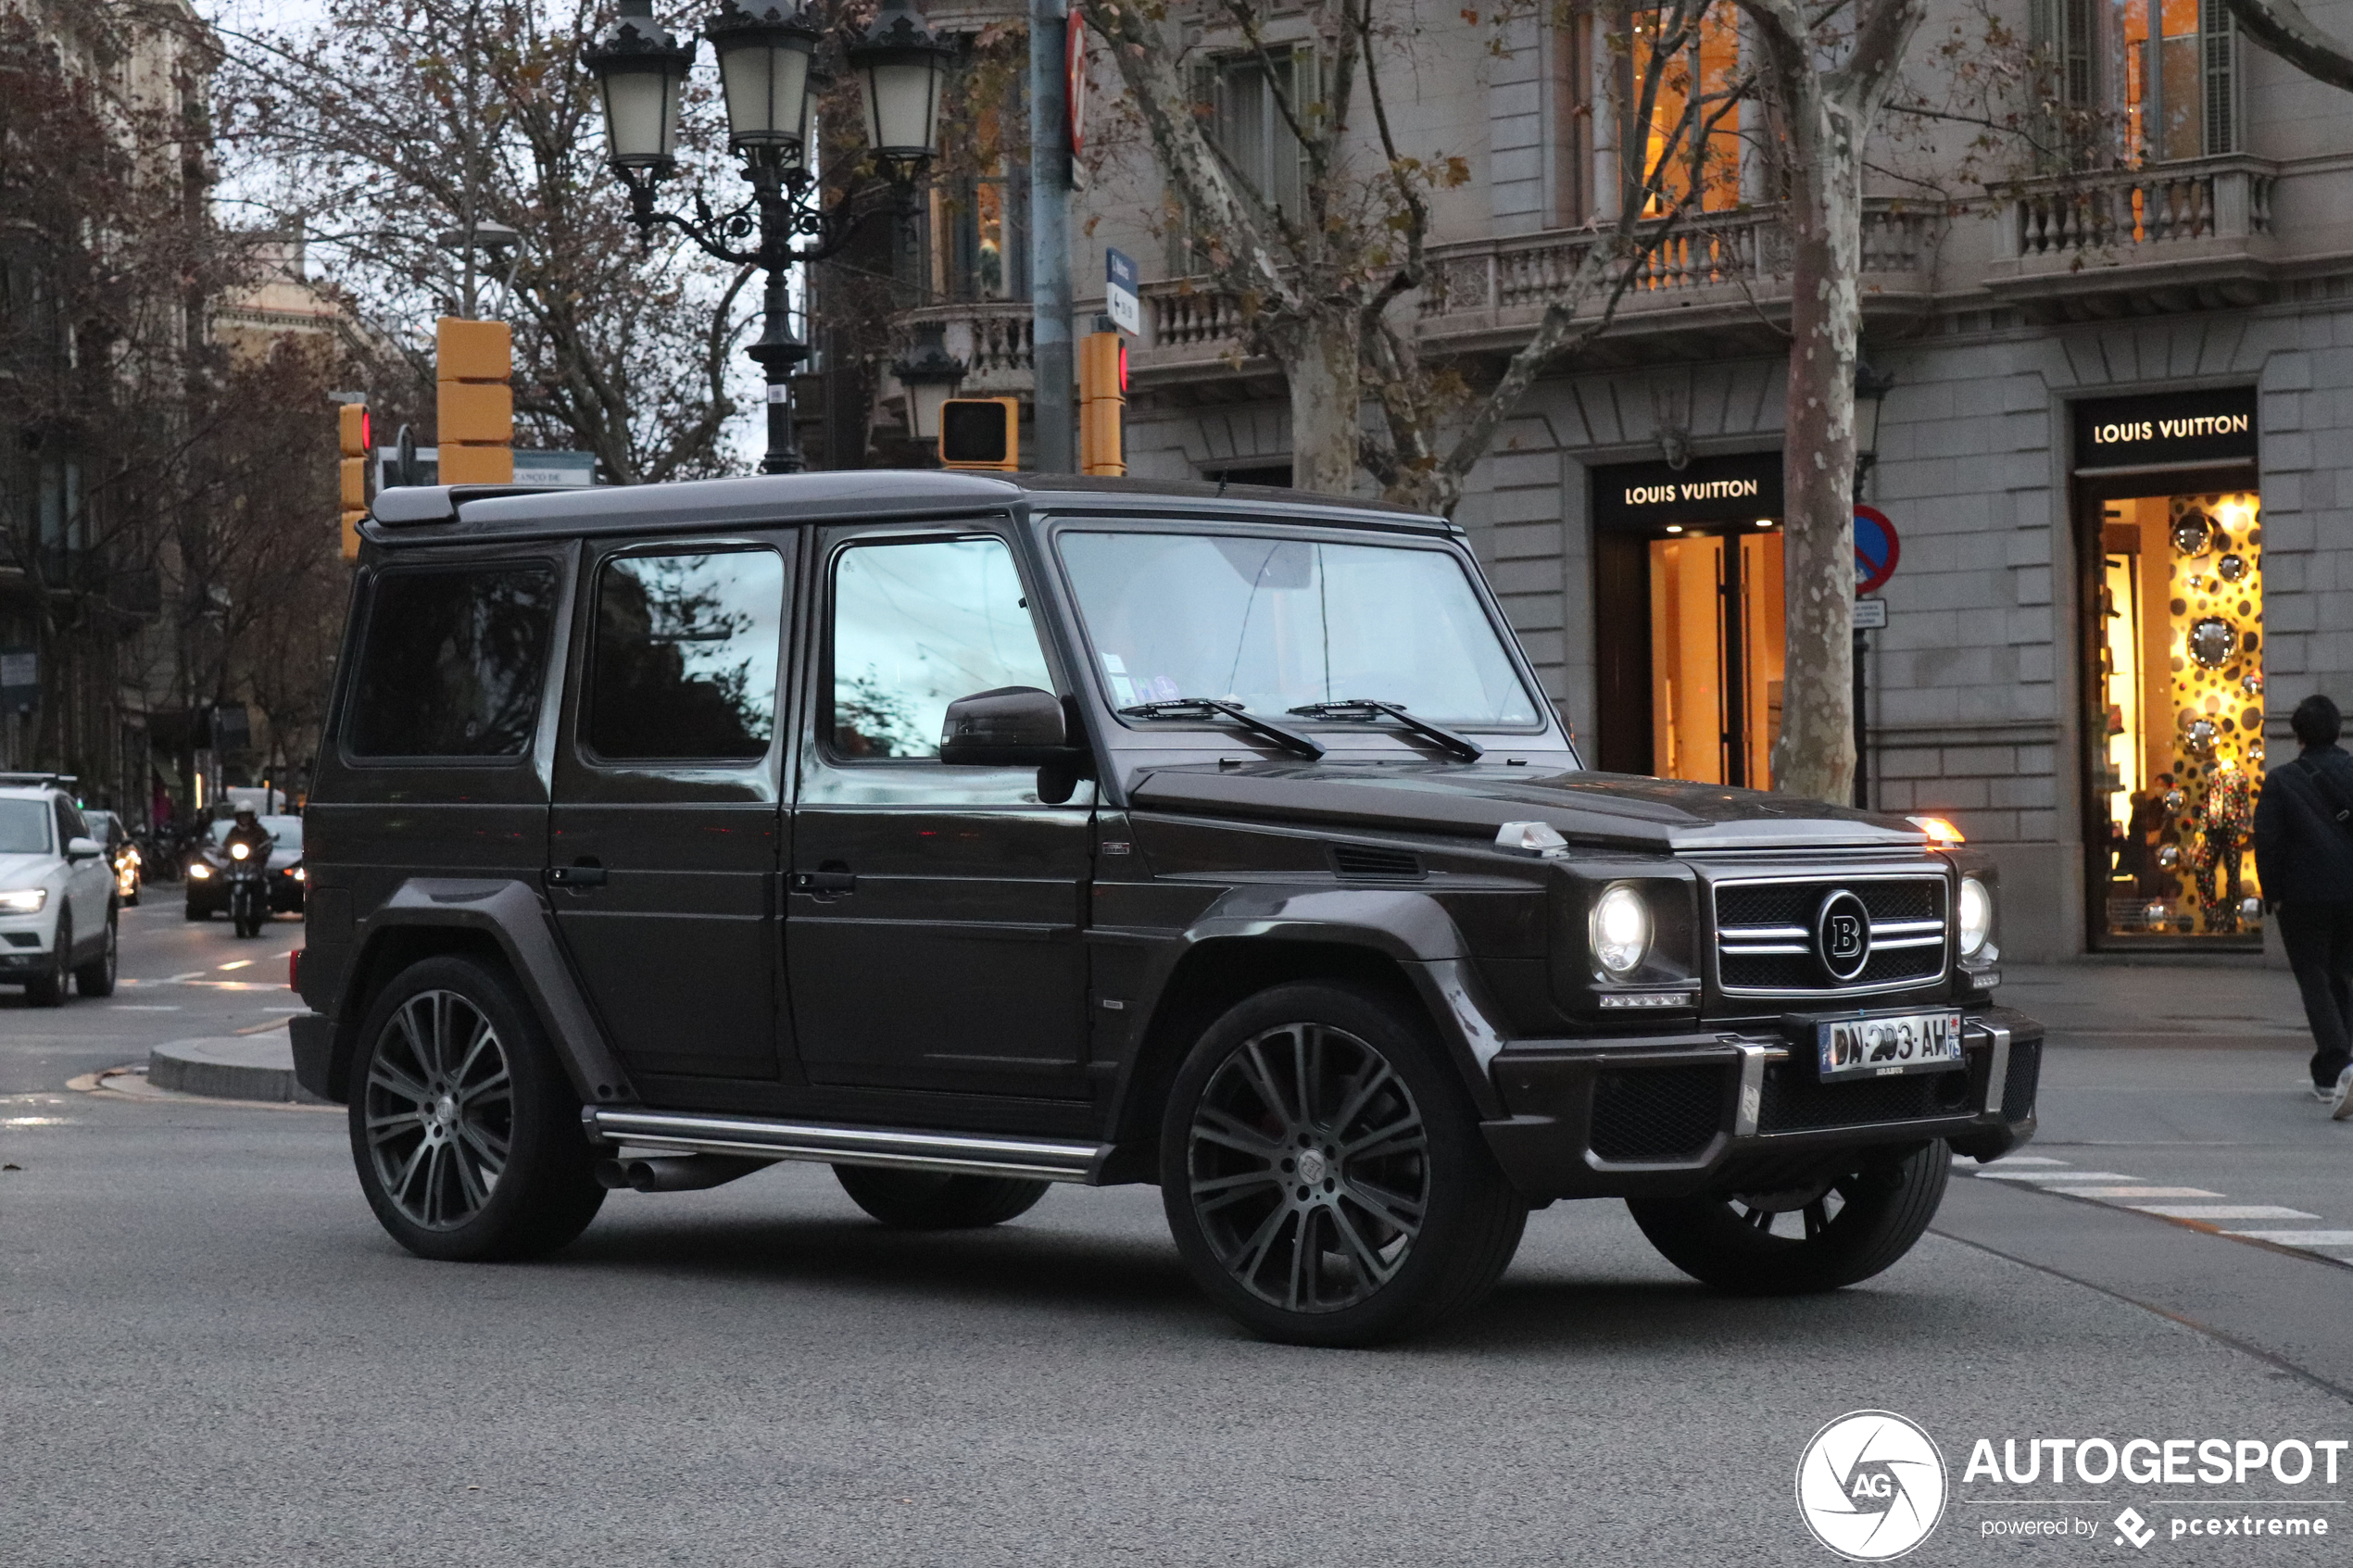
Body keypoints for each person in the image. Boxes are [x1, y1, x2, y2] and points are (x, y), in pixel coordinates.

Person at [2254, 694, 2353, 1117]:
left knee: (2314, 977)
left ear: (2297, 735)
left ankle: (2336, 1064)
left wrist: (2272, 891)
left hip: (2303, 894)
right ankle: (2336, 1067)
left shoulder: (2280, 780)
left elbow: (2268, 842)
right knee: (2343, 975)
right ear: (2337, 729)